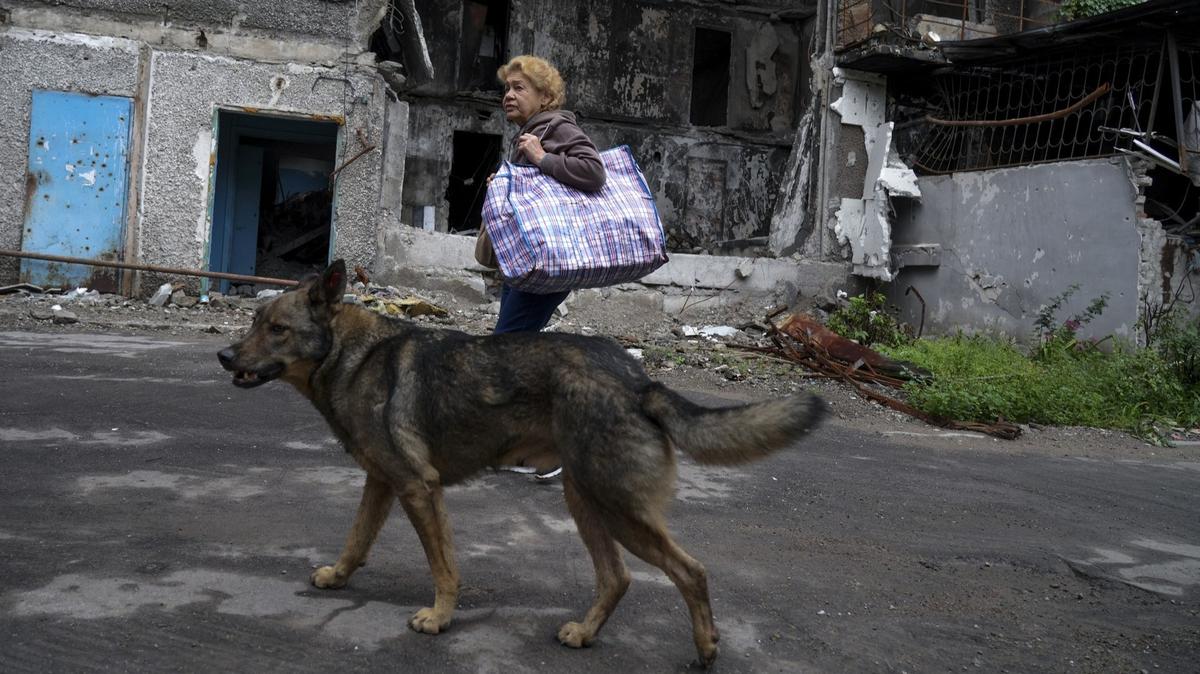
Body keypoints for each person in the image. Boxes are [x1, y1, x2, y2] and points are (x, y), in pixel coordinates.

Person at [489, 55, 606, 335]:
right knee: (514, 343)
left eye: (519, 88)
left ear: (545, 97)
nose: (509, 95)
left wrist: (542, 157)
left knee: (506, 341)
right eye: (507, 88)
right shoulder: (532, 131)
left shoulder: (557, 126)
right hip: (529, 258)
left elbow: (594, 171)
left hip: (550, 259)